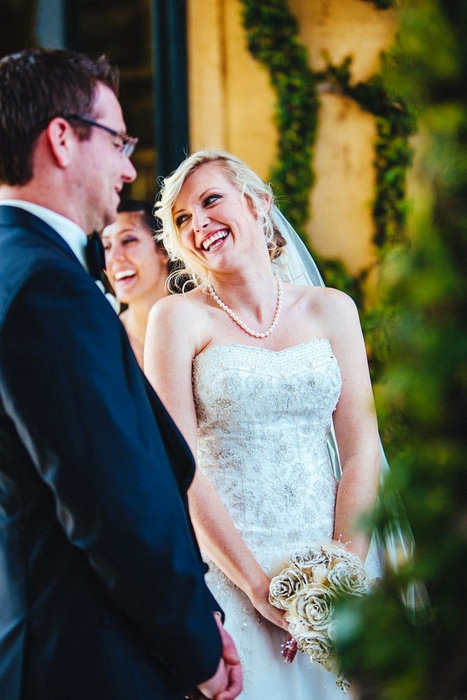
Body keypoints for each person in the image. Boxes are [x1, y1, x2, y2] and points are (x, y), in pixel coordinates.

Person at [0, 51, 242, 700]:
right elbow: (111, 502)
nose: (129, 168)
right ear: (61, 138)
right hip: (87, 653)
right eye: (117, 141)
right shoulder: (45, 286)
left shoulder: (19, 266)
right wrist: (194, 641)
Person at [144, 149, 383, 698]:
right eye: (181, 219)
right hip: (230, 571)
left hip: (330, 561)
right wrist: (256, 587)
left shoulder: (333, 310)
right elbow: (180, 465)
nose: (198, 223)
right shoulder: (177, 320)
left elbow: (362, 452)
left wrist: (341, 574)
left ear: (259, 204)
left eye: (210, 201)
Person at [102, 199, 171, 367]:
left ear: (163, 248)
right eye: (106, 246)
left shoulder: (199, 322)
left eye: (128, 240)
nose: (113, 258)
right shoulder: (106, 340)